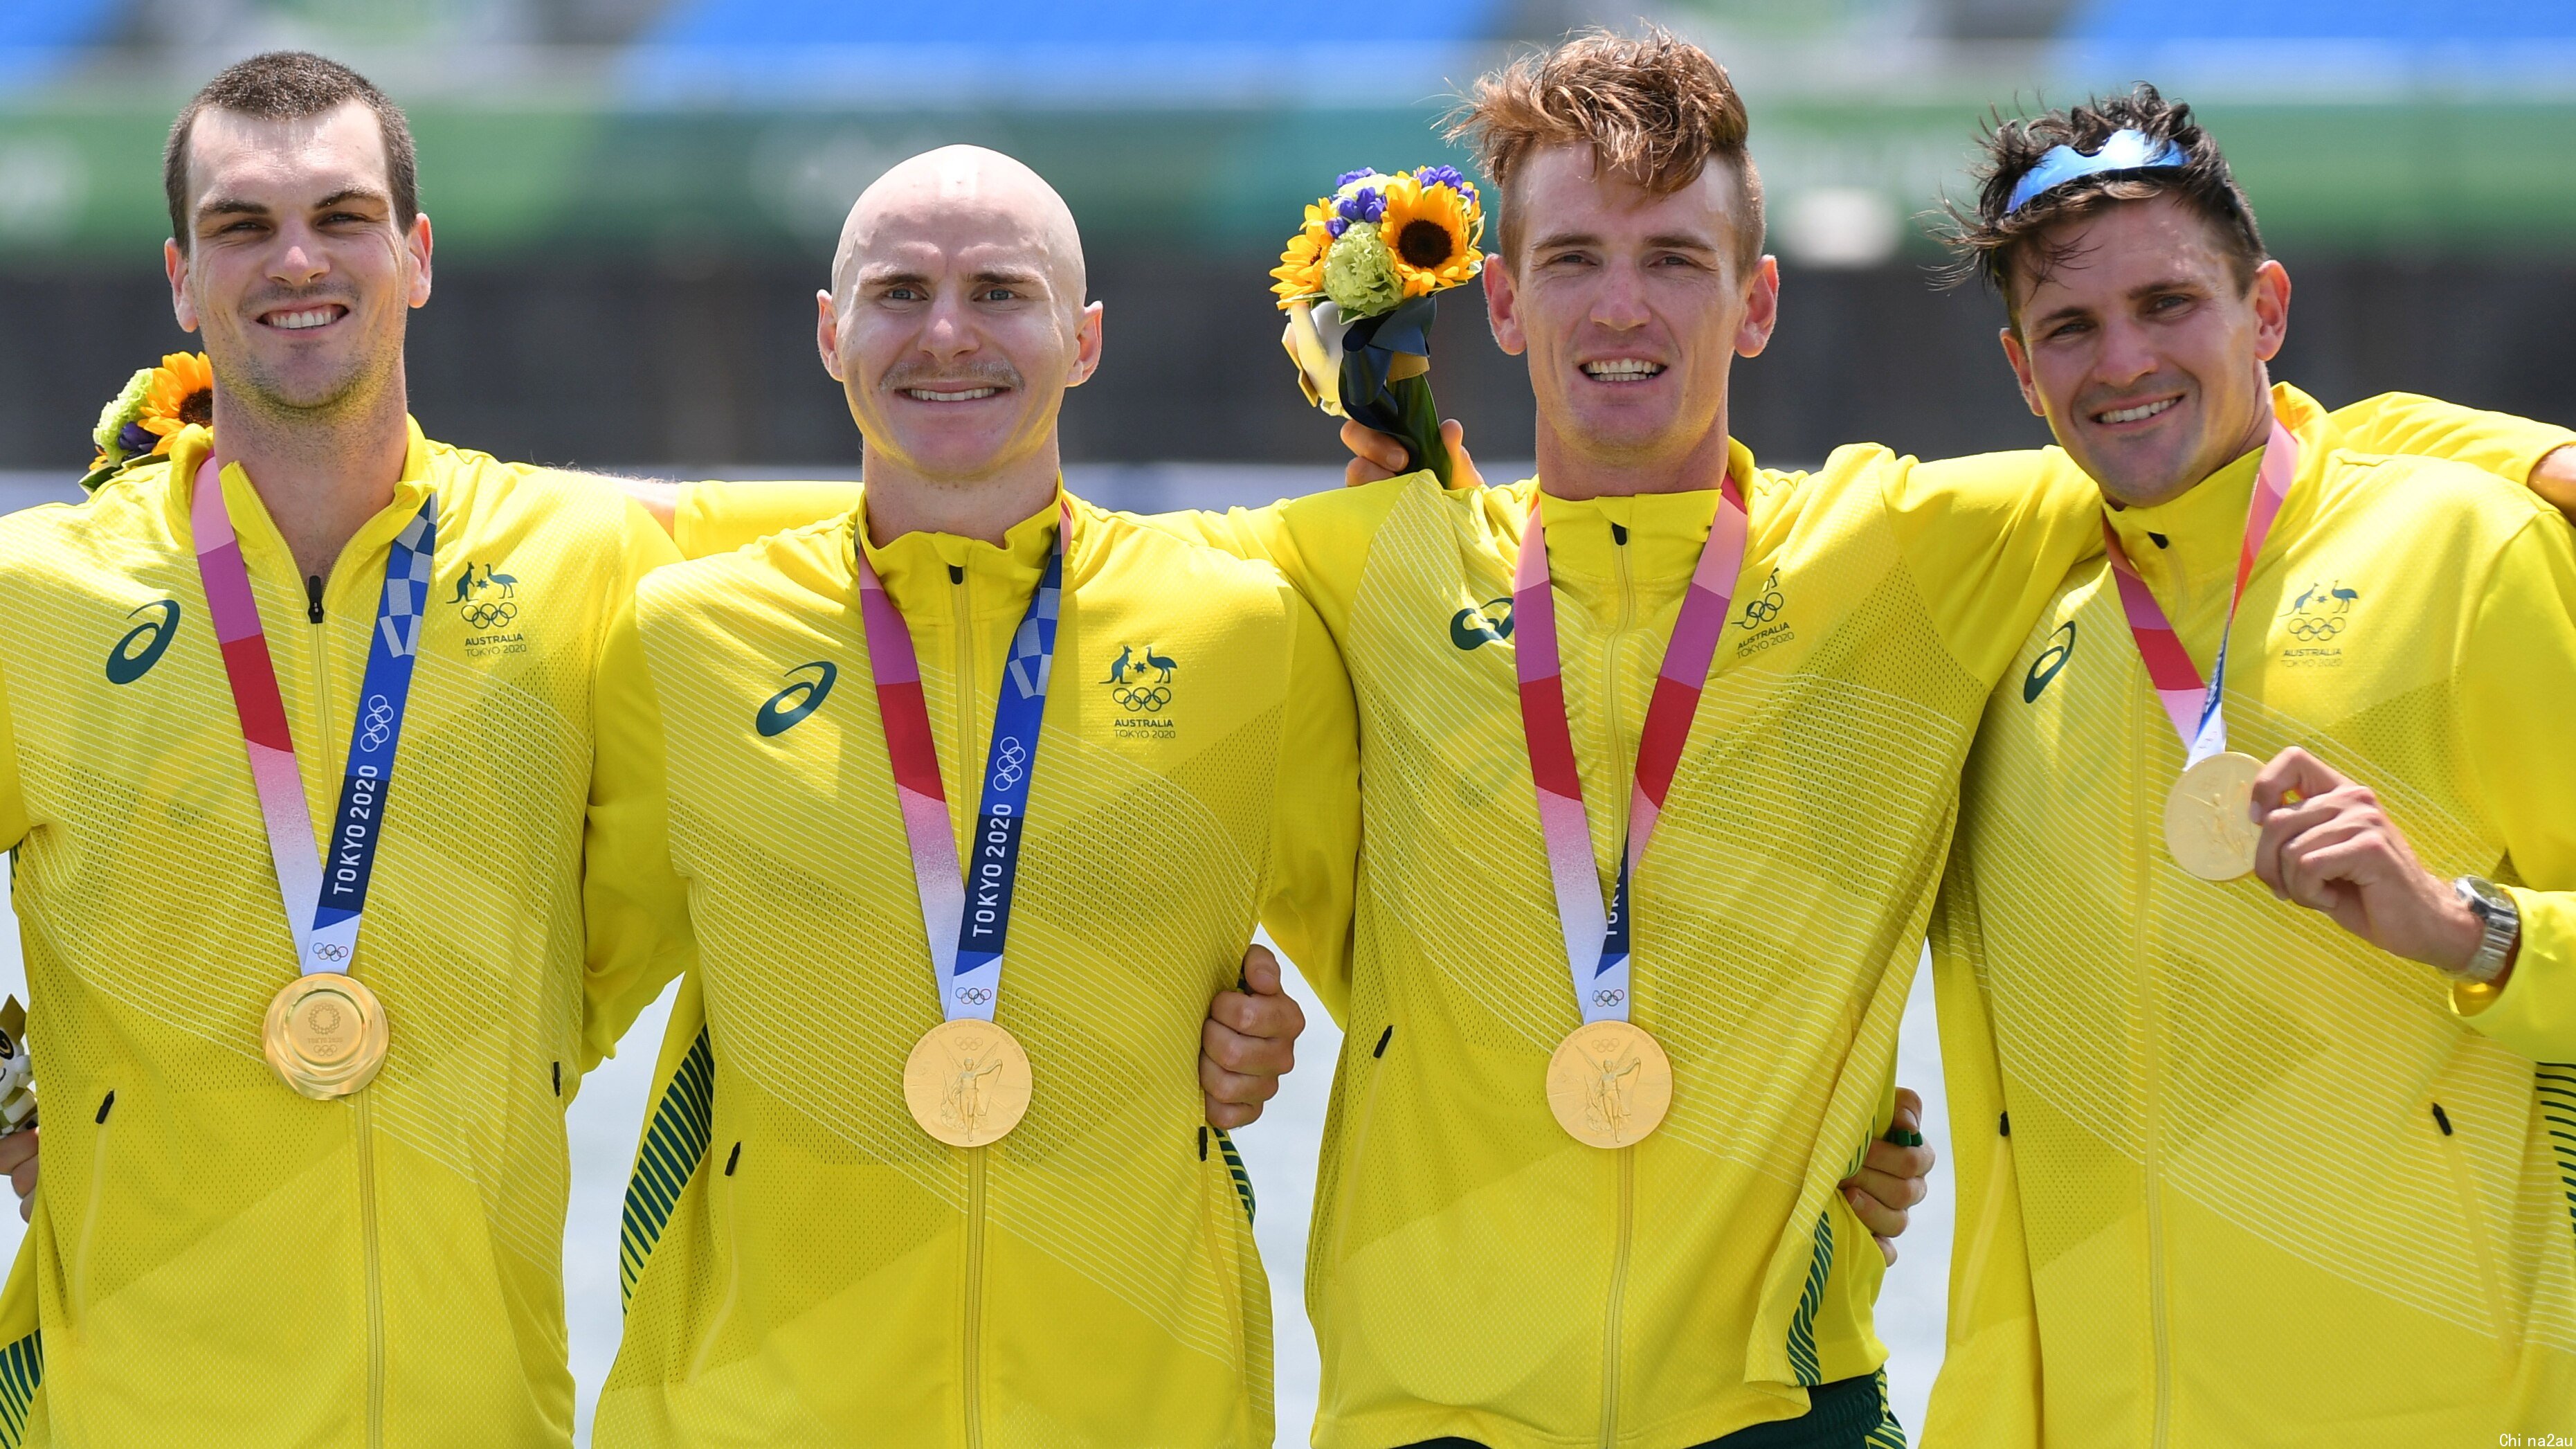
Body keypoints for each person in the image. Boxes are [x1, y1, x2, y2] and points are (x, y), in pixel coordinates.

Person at [0, 57, 1304, 1449]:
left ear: (418, 255)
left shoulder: (593, 555)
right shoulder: (36, 594)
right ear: (181, 280)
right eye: (242, 226)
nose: (298, 260)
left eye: (344, 214)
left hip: (474, 1406)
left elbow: (947, 504)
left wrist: (1186, 1004)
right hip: (119, 1401)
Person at [1296, 30, 2575, 1449]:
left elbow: (2232, 450)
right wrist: (1218, 1022)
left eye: (1674, 258)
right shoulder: (1357, 566)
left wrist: (2520, 462)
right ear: (1502, 303)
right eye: (1575, 260)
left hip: (1813, 1409)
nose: (1624, 306)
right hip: (1444, 1408)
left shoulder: (1909, 556)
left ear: (1756, 299)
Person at [580, 145, 1357, 1444]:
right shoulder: (685, 637)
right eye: (898, 294)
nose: (946, 334)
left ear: (1083, 338)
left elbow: (1405, 976)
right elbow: (537, 999)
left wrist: (1251, 1027)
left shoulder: (1241, 631)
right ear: (830, 334)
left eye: (1000, 291)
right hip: (762, 1410)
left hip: (1138, 1403)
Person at [1921, 87, 2576, 1446]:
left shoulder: (2467, 550)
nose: (2121, 361)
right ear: (2019, 371)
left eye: (2167, 304)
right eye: (2070, 328)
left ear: (2263, 311)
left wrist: (2473, 932)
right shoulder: (2010, 634)